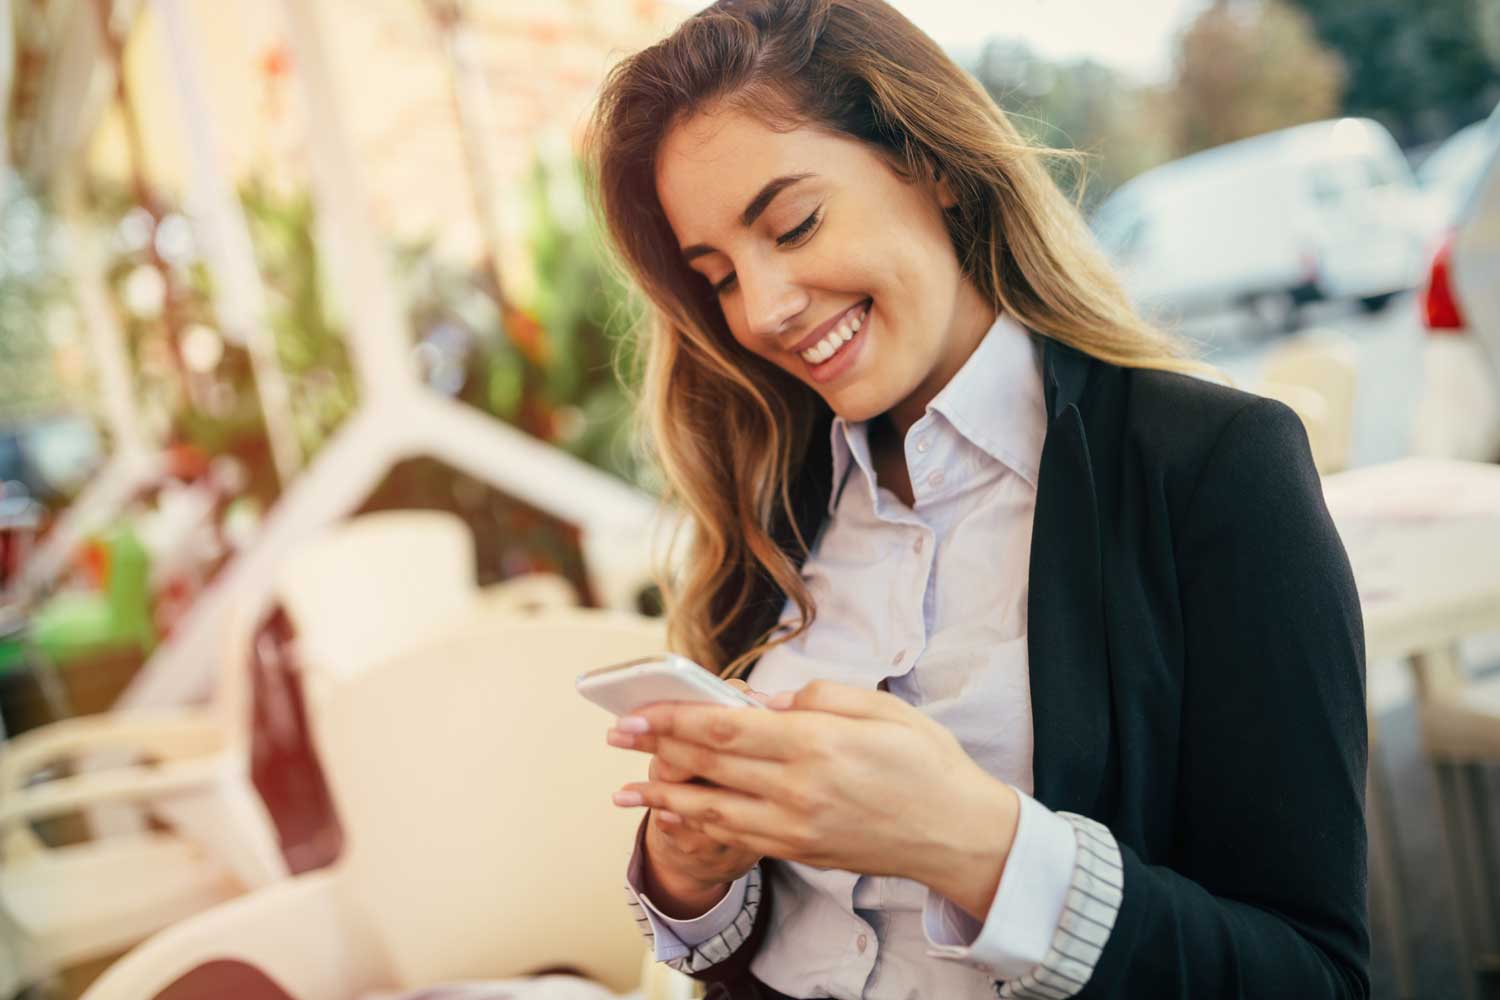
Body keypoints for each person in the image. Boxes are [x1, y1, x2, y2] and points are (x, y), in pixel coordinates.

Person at [582, 1, 1369, 997]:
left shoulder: (1211, 469)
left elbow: (1314, 976)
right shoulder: (771, 509)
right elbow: (761, 940)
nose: (765, 308)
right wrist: (691, 875)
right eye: (719, 275)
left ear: (935, 165)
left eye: (794, 224)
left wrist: (974, 844)